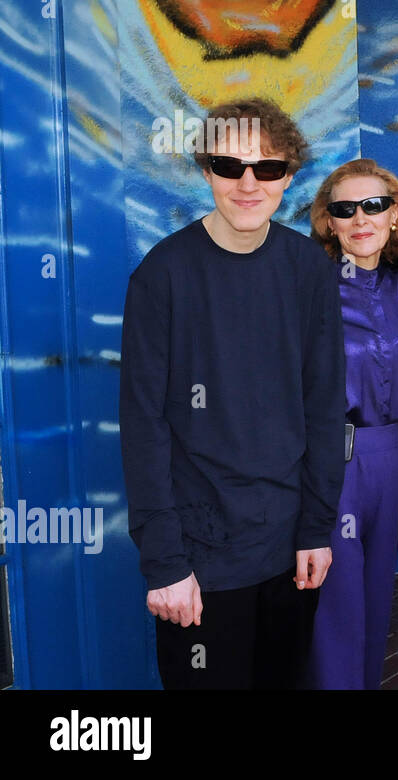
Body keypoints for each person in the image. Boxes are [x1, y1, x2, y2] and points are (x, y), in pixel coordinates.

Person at [119, 98, 345, 690]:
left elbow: (324, 409)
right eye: (229, 165)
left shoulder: (308, 270)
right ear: (206, 171)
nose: (249, 183)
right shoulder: (161, 275)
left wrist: (317, 528)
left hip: (290, 551)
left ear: (289, 177)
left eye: (267, 169)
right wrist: (165, 562)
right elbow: (143, 426)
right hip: (200, 558)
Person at [306, 159, 398, 690]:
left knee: (377, 600)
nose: (360, 218)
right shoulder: (310, 289)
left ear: (395, 215)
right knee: (337, 607)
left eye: (374, 205)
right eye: (344, 209)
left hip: (391, 458)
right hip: (334, 460)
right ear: (329, 223)